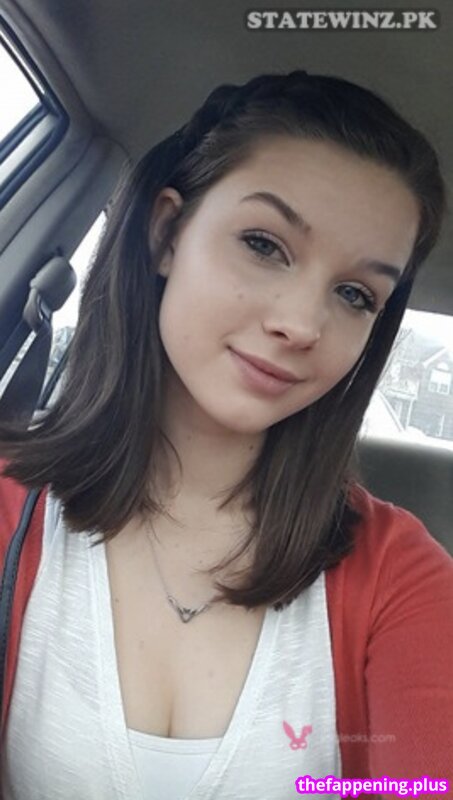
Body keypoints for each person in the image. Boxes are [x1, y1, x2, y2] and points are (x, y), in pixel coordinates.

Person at [0, 70, 451, 800]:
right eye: (264, 245)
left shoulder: (399, 573)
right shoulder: (11, 507)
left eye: (354, 294)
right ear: (166, 234)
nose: (300, 325)